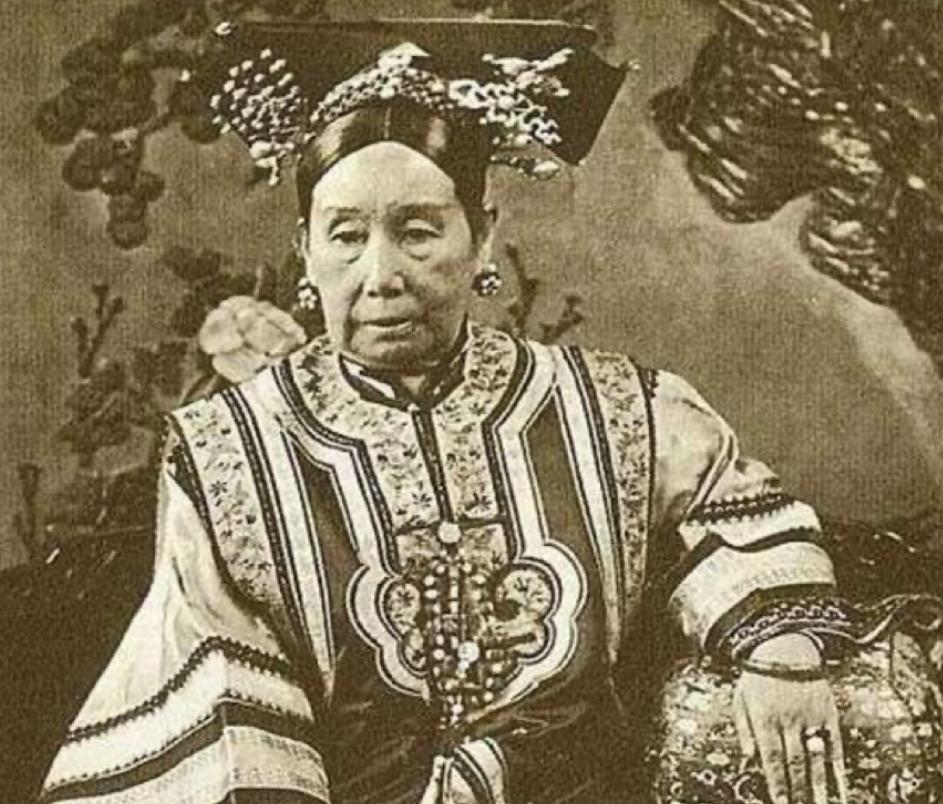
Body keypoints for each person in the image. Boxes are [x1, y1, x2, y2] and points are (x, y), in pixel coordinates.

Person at [38, 19, 943, 804]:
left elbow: (734, 514)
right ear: (304, 252)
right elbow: (226, 704)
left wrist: (777, 649)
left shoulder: (614, 405)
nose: (380, 275)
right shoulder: (227, 451)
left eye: (418, 230)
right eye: (345, 235)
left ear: (482, 237)